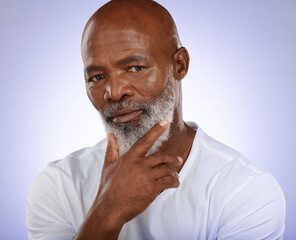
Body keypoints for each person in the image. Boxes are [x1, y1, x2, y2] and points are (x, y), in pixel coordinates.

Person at [25, 0, 286, 239]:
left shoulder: (245, 190)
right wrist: (107, 212)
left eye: (135, 68)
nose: (115, 92)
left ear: (179, 65)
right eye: (97, 77)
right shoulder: (57, 185)